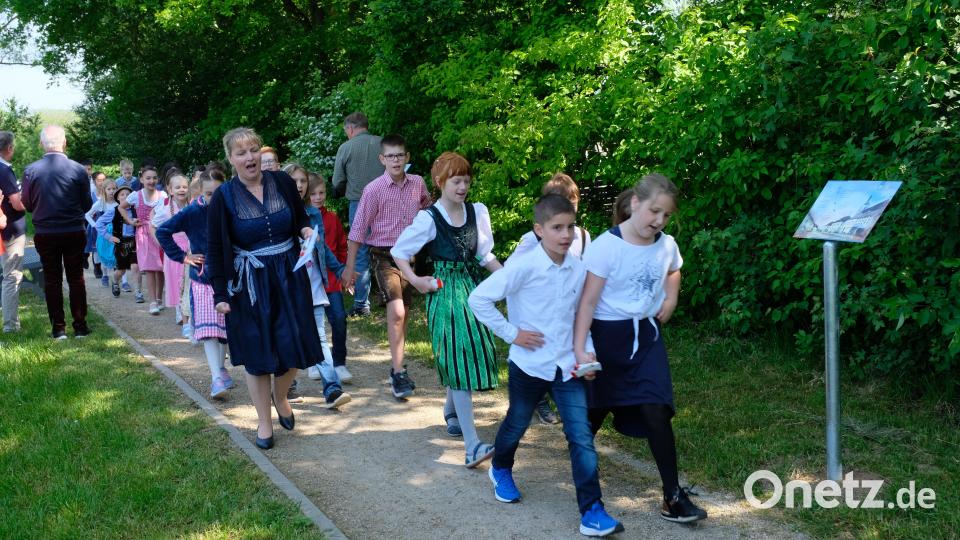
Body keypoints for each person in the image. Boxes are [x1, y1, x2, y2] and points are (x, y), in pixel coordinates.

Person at [468, 194, 624, 537]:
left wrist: (587, 353)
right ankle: (501, 466)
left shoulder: (578, 268)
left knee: (580, 435)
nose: (566, 235)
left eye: (570, 227)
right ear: (539, 230)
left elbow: (581, 316)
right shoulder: (523, 266)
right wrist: (513, 334)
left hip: (567, 367)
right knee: (518, 422)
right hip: (529, 365)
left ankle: (592, 511)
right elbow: (478, 299)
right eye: (557, 228)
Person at [573, 173, 707, 524]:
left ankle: (673, 497)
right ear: (635, 203)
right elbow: (587, 303)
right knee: (590, 418)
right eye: (654, 211)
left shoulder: (667, 245)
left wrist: (671, 298)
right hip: (606, 340)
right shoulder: (606, 246)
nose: (659, 221)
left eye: (666, 215)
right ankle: (587, 493)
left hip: (646, 339)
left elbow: (673, 270)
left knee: (656, 410)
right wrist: (581, 348)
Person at [206, 127, 323, 450]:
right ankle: (263, 421)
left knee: (296, 345)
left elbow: (300, 218)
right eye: (241, 153)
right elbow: (215, 248)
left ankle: (280, 395)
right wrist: (220, 294)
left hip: (289, 276)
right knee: (257, 355)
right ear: (231, 159)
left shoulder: (282, 181)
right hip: (249, 284)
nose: (250, 157)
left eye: (253, 150)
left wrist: (306, 232)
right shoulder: (223, 197)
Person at [391, 151, 502, 467]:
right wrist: (416, 280)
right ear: (440, 183)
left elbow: (485, 256)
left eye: (466, 180)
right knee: (459, 356)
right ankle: (472, 446)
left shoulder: (477, 212)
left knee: (470, 353)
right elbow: (399, 252)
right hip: (444, 291)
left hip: (472, 289)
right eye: (456, 181)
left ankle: (451, 411)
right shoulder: (429, 218)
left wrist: (509, 280)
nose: (463, 187)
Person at [342, 134, 432, 399]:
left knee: (403, 315)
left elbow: (428, 210)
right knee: (397, 312)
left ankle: (397, 366)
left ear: (407, 157)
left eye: (400, 155)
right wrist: (349, 268)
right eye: (390, 156)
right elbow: (358, 230)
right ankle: (399, 372)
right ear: (382, 159)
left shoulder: (417, 183)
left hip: (411, 257)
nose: (396, 160)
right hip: (384, 256)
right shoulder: (373, 190)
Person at [507, 173, 592, 426]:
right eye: (564, 201)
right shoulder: (532, 239)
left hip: (568, 307)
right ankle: (538, 399)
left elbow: (587, 269)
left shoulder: (583, 236)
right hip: (538, 311)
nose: (570, 206)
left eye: (573, 201)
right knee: (539, 354)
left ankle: (570, 406)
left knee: (565, 354)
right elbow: (510, 274)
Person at [157, 168, 234, 398]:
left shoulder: (232, 208)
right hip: (203, 278)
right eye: (209, 194)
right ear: (200, 191)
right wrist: (183, 257)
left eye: (218, 193)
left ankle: (221, 369)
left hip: (229, 276)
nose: (214, 199)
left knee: (224, 329)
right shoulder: (192, 211)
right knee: (209, 330)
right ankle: (216, 378)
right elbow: (163, 231)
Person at [20, 125, 94, 339]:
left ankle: (58, 328)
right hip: (73, 230)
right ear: (64, 143)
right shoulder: (78, 170)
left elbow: (27, 204)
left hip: (46, 232)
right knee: (76, 278)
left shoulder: (31, 170)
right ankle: (80, 326)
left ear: (41, 144)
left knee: (52, 279)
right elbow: (87, 204)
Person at [304, 173, 352, 409]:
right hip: (311, 281)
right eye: (313, 194)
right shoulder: (302, 219)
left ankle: (339, 362)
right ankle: (315, 362)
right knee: (315, 327)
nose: (318, 197)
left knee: (339, 319)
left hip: (332, 280)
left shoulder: (332, 219)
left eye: (321, 192)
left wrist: (343, 271)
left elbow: (341, 247)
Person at [332, 112, 384, 317]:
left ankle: (362, 304)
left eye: (346, 130)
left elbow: (337, 182)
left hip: (359, 203)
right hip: (386, 202)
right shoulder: (383, 143)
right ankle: (392, 295)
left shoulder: (346, 148)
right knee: (388, 249)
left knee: (360, 252)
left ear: (351, 128)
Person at [119, 165, 167, 312]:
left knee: (160, 268)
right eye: (148, 178)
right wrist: (130, 220)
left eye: (154, 178)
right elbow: (121, 207)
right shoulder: (136, 195)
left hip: (159, 233)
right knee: (150, 268)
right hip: (143, 235)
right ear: (141, 179)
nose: (151, 181)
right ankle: (152, 302)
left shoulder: (163, 195)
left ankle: (159, 299)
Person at [151, 173, 191, 327]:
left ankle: (190, 311)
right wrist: (162, 244)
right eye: (178, 187)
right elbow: (153, 226)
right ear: (170, 190)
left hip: (190, 250)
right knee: (176, 280)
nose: (181, 190)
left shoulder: (192, 207)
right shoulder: (166, 210)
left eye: (184, 187)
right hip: (174, 252)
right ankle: (179, 310)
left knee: (189, 280)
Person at [0, 131, 26, 333]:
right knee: (11, 276)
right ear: (9, 148)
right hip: (9, 231)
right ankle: (11, 326)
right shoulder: (4, 170)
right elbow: (17, 203)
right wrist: (32, 203)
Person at [96, 185, 139, 298]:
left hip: (135, 241)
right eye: (122, 194)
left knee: (135, 266)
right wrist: (109, 237)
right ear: (118, 198)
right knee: (121, 270)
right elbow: (99, 224)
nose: (125, 196)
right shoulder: (114, 211)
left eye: (128, 194)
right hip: (121, 242)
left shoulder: (136, 210)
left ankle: (138, 292)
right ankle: (115, 281)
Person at [85, 176, 118, 287]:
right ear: (104, 190)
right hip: (104, 234)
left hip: (117, 233)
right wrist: (95, 225)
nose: (112, 191)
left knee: (117, 254)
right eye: (109, 189)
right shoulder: (100, 203)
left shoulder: (119, 202)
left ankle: (120, 280)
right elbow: (87, 215)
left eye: (114, 189)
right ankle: (105, 275)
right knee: (104, 255)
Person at [85, 171, 108, 282]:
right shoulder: (91, 195)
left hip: (108, 225)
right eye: (99, 180)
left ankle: (110, 264)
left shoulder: (110, 193)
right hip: (95, 225)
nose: (102, 182)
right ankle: (97, 267)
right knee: (96, 248)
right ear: (94, 181)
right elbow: (87, 211)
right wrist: (93, 224)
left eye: (104, 180)